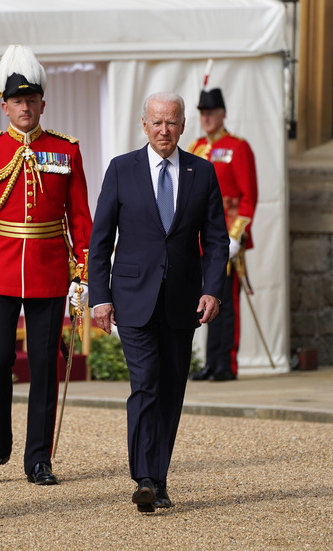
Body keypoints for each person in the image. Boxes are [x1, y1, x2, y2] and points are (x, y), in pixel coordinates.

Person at [0, 44, 93, 486]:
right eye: (18, 101)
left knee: (45, 365)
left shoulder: (65, 151)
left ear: (42, 104)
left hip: (50, 270)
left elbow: (80, 217)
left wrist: (81, 274)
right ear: (5, 106)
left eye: (32, 100)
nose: (25, 107)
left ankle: (39, 459)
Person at [88, 92, 229, 512]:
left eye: (171, 122)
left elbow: (217, 239)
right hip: (133, 299)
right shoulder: (121, 170)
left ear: (183, 125)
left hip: (183, 302)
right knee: (145, 385)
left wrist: (212, 289)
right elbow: (100, 240)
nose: (164, 130)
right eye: (156, 122)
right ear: (144, 125)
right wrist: (100, 299)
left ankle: (160, 476)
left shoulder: (202, 172)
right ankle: (144, 477)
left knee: (171, 389)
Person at [186, 86, 258, 381]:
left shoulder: (238, 147)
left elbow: (248, 196)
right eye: (203, 113)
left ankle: (226, 363)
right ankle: (210, 362)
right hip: (200, 238)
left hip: (227, 236)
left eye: (212, 113)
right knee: (203, 301)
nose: (207, 118)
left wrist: (235, 235)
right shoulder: (195, 147)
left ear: (223, 114)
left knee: (225, 304)